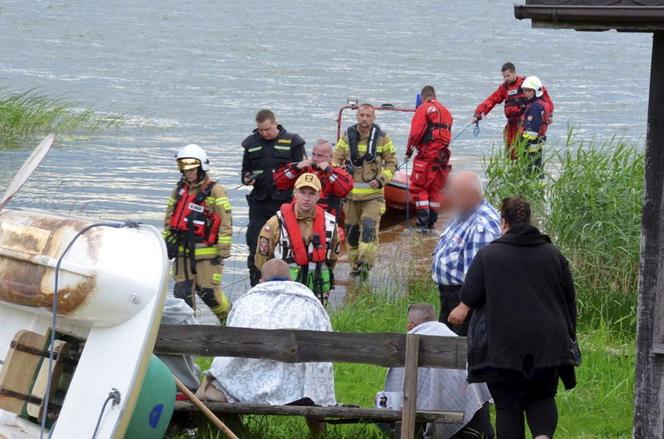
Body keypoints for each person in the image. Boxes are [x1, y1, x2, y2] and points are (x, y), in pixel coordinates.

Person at [449, 197, 580, 439]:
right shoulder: (553, 254)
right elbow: (569, 302)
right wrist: (569, 336)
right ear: (530, 220)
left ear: (503, 221)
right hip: (549, 344)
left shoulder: (489, 255)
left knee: (508, 406)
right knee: (542, 398)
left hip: (503, 346)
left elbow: (468, 297)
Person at [198, 259, 336, 437]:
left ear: (261, 281)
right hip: (301, 393)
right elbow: (324, 352)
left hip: (245, 390)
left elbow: (227, 355)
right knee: (314, 377)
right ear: (291, 280)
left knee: (222, 380)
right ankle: (319, 434)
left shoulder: (244, 304)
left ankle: (237, 430)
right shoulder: (310, 305)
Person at [381, 304, 494, 439]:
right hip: (474, 418)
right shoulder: (452, 337)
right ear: (433, 318)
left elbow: (396, 389)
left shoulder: (406, 342)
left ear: (410, 324)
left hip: (423, 414)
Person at [163, 144, 232, 323]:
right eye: (185, 170)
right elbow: (169, 217)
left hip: (207, 255)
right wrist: (166, 244)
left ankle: (231, 321)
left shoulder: (215, 190)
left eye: (192, 169)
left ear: (201, 167)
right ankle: (189, 335)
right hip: (182, 254)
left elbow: (225, 220)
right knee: (182, 295)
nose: (188, 173)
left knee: (210, 294)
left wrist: (223, 250)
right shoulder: (179, 190)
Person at [241, 109, 306, 286]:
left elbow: (303, 174)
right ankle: (256, 283)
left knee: (287, 245)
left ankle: (288, 283)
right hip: (259, 203)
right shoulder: (250, 143)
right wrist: (247, 178)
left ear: (275, 124)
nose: (264, 133)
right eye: (261, 130)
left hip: (285, 203)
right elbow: (244, 172)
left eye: (267, 129)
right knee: (255, 244)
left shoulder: (294, 142)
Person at [431, 171, 501, 336]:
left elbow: (481, 272)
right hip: (451, 297)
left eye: (454, 194)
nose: (450, 198)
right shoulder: (464, 214)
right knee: (445, 349)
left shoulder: (483, 225)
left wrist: (464, 306)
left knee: (461, 353)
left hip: (465, 301)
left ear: (469, 195)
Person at [333, 104, 398, 279]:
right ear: (357, 117)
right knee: (352, 234)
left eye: (368, 115)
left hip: (373, 196)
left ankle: (365, 268)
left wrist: (381, 179)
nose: (364, 118)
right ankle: (355, 267)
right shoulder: (347, 137)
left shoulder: (382, 138)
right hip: (351, 197)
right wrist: (337, 179)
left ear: (373, 117)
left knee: (369, 229)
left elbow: (392, 163)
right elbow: (335, 160)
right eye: (361, 115)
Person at [255, 173, 339, 305]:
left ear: (318, 196)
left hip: (316, 293)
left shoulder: (330, 224)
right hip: (284, 293)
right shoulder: (275, 223)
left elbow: (332, 258)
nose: (306, 198)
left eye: (311, 193)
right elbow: (262, 261)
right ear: (295, 193)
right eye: (302, 192)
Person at [473, 62, 554, 155]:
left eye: (508, 76)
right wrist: (478, 113)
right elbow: (492, 100)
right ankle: (511, 168)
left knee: (525, 151)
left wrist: (550, 115)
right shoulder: (504, 88)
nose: (506, 79)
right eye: (504, 77)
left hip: (524, 124)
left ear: (514, 72)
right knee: (510, 153)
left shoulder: (528, 84)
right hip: (511, 126)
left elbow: (545, 99)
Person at [405, 85, 454, 232]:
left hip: (428, 153)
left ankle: (422, 225)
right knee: (434, 188)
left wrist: (408, 151)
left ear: (423, 97)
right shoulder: (446, 111)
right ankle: (432, 223)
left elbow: (415, 133)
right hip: (442, 155)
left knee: (419, 187)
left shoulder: (423, 108)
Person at [273, 139, 353, 220]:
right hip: (298, 216)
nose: (315, 158)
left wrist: (329, 170)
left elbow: (345, 190)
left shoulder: (336, 172)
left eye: (319, 156)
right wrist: (296, 167)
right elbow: (279, 182)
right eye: (313, 154)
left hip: (325, 217)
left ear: (331, 157)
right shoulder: (303, 169)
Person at [516, 76, 550, 177]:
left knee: (529, 172)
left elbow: (532, 130)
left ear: (535, 91)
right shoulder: (543, 104)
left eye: (528, 91)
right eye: (525, 90)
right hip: (538, 145)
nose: (525, 93)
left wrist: (523, 145)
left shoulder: (535, 107)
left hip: (530, 148)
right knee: (536, 171)